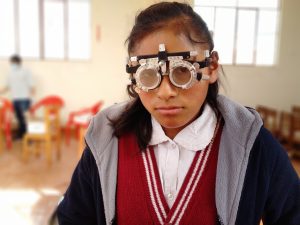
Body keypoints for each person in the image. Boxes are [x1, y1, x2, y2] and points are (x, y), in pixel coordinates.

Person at [57, 2, 300, 225]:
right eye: (148, 75)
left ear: (212, 66)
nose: (165, 92)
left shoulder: (253, 147)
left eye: (182, 71)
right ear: (134, 77)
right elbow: (74, 217)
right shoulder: (106, 142)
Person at [0, 55, 35, 139]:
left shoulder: (26, 71)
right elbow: (7, 86)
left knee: (25, 119)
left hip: (24, 99)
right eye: (11, 62)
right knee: (19, 118)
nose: (12, 64)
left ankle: (30, 137)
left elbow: (32, 85)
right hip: (15, 99)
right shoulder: (10, 73)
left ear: (19, 62)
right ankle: (21, 135)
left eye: (14, 62)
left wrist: (33, 99)